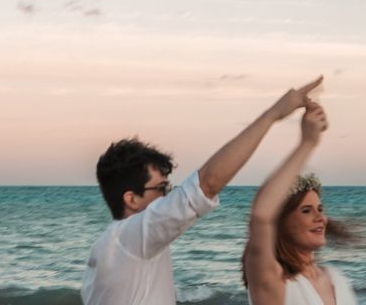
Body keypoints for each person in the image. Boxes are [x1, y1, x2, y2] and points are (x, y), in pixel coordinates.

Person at [81, 76, 324, 305]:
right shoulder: (134, 238)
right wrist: (273, 114)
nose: (168, 196)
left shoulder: (105, 251)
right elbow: (207, 183)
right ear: (131, 199)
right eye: (161, 188)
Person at [243, 102, 359, 305]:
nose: (320, 218)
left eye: (320, 209)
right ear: (281, 223)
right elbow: (261, 215)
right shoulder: (272, 280)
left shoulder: (335, 278)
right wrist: (308, 143)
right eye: (306, 211)